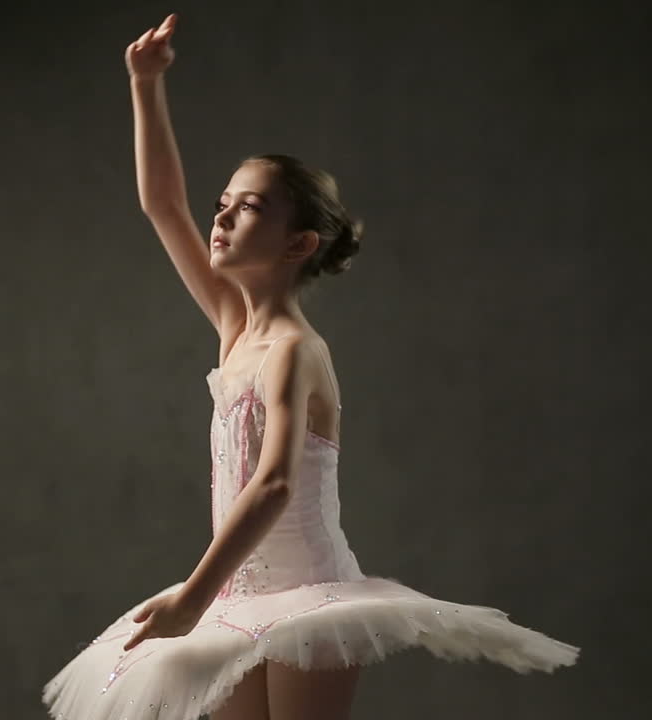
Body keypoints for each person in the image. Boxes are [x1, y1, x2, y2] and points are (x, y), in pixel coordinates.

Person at [40, 13, 579, 720]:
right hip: (235, 599)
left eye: (249, 208)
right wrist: (146, 85)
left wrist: (192, 596)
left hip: (309, 597)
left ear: (299, 243)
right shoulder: (236, 329)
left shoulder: (296, 351)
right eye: (223, 204)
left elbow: (273, 484)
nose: (222, 218)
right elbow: (162, 204)